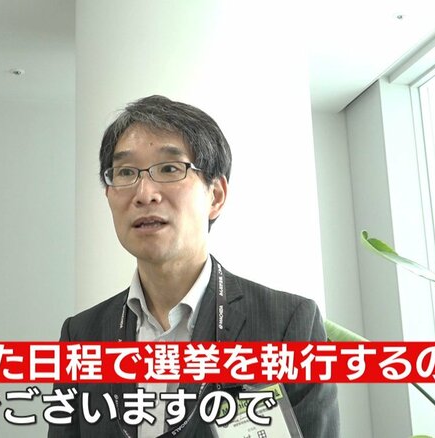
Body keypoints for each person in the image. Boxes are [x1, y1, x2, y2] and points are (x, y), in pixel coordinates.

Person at [48, 95, 340, 437]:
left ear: (215, 196)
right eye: (125, 172)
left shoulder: (287, 325)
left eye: (170, 168)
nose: (144, 193)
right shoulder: (82, 335)